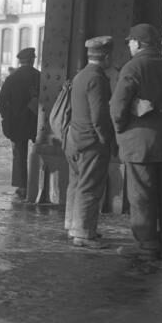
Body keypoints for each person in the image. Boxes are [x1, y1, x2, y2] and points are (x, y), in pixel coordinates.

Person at [110, 23, 162, 260]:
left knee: (141, 194)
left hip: (140, 144)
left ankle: (146, 244)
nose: (129, 45)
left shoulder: (133, 67)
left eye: (130, 41)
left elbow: (117, 108)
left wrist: (122, 129)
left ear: (138, 43)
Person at [63, 37, 115, 248]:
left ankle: (72, 225)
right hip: (91, 142)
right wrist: (106, 140)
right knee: (90, 187)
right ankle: (83, 234)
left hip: (74, 140)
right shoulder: (97, 78)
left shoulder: (81, 75)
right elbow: (99, 116)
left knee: (75, 183)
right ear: (107, 56)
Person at [0, 47, 41, 200]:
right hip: (35, 122)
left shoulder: (12, 78)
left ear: (20, 61)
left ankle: (22, 186)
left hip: (17, 122)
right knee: (39, 152)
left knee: (19, 154)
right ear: (33, 60)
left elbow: (1, 102)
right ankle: (38, 184)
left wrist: (7, 117)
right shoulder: (39, 76)